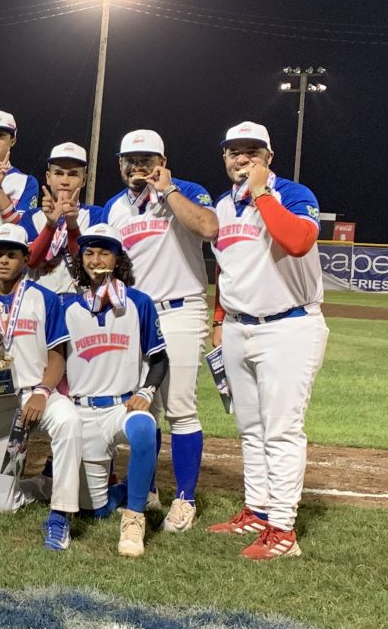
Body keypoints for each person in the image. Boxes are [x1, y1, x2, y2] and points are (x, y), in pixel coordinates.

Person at [207, 121, 328, 560]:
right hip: (238, 327)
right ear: (224, 157)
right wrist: (219, 319)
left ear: (268, 157)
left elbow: (298, 241)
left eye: (252, 151)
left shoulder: (293, 194)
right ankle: (257, 512)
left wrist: (261, 193)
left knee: (281, 430)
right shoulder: (223, 206)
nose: (242, 159)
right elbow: (228, 268)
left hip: (288, 326)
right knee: (250, 429)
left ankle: (283, 530)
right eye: (234, 151)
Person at [103, 129, 218, 533]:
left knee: (180, 407)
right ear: (120, 165)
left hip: (180, 310)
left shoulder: (187, 191)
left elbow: (208, 227)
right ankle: (147, 490)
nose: (138, 167)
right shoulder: (114, 207)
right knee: (140, 408)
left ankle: (185, 499)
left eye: (146, 160)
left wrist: (167, 191)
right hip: (134, 316)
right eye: (130, 160)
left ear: (162, 162)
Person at [0, 223, 82, 550]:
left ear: (25, 259)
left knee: (68, 420)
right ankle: (40, 485)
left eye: (12, 254)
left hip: (39, 395)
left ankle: (60, 514)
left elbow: (57, 355)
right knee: (2, 504)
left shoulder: (45, 298)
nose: (3, 260)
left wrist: (42, 392)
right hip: (0, 399)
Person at [62, 224, 169, 557]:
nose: (95, 260)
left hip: (121, 408)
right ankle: (127, 491)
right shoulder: (66, 305)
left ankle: (134, 518)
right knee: (94, 511)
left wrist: (147, 392)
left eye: (104, 253)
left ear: (118, 258)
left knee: (145, 428)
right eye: (89, 253)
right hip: (82, 411)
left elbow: (159, 358)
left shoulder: (138, 302)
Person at [25, 143, 104, 296]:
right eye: (59, 173)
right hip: (39, 300)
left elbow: (89, 264)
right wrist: (50, 225)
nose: (65, 181)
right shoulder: (31, 216)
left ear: (84, 180)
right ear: (48, 177)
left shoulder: (96, 214)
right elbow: (31, 262)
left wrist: (72, 224)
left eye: (73, 174)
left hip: (79, 300)